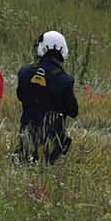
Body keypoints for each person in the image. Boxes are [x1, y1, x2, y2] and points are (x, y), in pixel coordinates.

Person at [13, 29, 79, 163]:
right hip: (51, 141)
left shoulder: (24, 72)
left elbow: (20, 96)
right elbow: (73, 111)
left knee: (24, 166)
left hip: (26, 135)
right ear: (63, 49)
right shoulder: (65, 80)